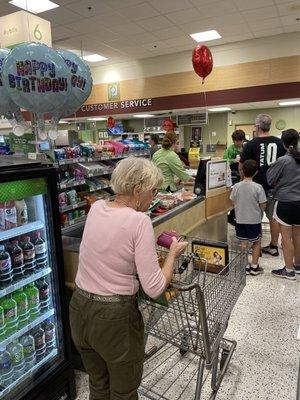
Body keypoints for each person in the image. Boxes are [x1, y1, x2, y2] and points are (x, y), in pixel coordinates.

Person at [69, 157, 188, 400]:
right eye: (153, 191)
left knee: (99, 384)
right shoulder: (139, 220)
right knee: (124, 392)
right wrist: (172, 254)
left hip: (79, 310)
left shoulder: (97, 208)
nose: (153, 197)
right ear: (137, 191)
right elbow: (154, 287)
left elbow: (111, 251)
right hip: (114, 320)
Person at [239, 114, 286, 256]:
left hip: (254, 187)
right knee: (273, 218)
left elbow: (241, 167)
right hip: (274, 187)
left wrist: (244, 183)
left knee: (253, 217)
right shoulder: (279, 143)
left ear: (258, 126)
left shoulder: (250, 144)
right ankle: (273, 245)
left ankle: (255, 247)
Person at [267, 129, 300, 280]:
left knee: (286, 238)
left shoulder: (283, 160)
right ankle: (298, 266)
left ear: (284, 143)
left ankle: (289, 270)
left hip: (285, 203)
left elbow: (270, 179)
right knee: (298, 236)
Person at [230, 159, 267, 275]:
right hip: (254, 220)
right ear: (256, 172)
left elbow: (232, 201)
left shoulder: (236, 186)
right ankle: (255, 267)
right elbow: (263, 204)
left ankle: (245, 266)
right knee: (256, 243)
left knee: (243, 243)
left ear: (242, 171)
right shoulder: (258, 187)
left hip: (240, 219)